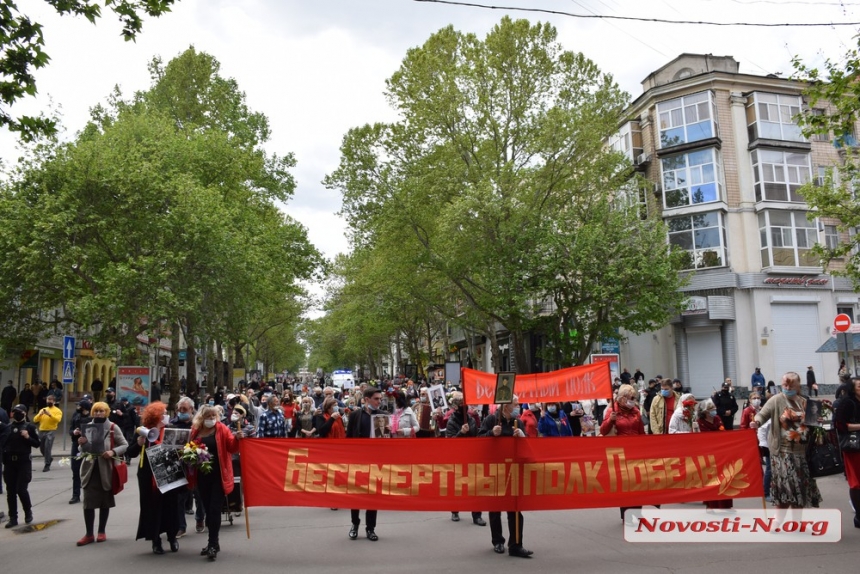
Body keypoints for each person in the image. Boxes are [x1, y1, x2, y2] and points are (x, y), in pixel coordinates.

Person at [751, 372, 822, 509]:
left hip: (801, 453)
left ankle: (797, 523)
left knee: (799, 490)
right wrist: (756, 423)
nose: (788, 388)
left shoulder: (805, 402)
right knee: (785, 489)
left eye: (791, 385)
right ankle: (777, 522)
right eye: (785, 385)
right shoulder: (776, 400)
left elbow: (813, 426)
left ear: (798, 385)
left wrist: (817, 421)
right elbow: (762, 414)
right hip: (782, 452)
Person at [478, 396, 531, 558]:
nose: (518, 407)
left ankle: (516, 545)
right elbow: (477, 441)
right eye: (515, 404)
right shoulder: (491, 420)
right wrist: (490, 434)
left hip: (513, 471)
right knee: (495, 508)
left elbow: (527, 447)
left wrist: (523, 437)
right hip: (495, 471)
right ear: (506, 406)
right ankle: (498, 541)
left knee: (514, 509)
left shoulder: (518, 422)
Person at [125, 402, 181, 554]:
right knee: (152, 507)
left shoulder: (171, 430)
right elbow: (130, 453)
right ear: (155, 416)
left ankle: (172, 537)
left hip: (168, 472)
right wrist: (138, 443)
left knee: (171, 506)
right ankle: (155, 540)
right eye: (162, 413)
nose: (165, 416)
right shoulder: (143, 431)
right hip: (148, 475)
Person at [190, 404, 243, 560]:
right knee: (207, 508)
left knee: (214, 509)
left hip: (219, 476)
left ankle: (213, 543)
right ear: (202, 417)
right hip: (202, 476)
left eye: (214, 416)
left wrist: (238, 439)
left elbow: (232, 447)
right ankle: (213, 543)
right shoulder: (196, 430)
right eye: (208, 417)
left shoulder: (222, 429)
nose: (211, 419)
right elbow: (189, 447)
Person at [74, 401, 128, 546]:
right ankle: (89, 534)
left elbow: (124, 444)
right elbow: (82, 450)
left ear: (107, 412)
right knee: (88, 502)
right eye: (96, 411)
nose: (98, 413)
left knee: (105, 501)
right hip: (90, 469)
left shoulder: (112, 427)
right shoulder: (88, 427)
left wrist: (112, 451)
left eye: (101, 411)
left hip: (106, 469)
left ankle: (101, 531)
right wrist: (81, 443)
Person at [600, 385, 646, 523]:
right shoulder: (611, 411)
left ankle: (638, 512)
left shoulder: (636, 411)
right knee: (625, 484)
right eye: (630, 398)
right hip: (620, 453)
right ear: (622, 398)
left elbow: (641, 432)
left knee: (638, 483)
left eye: (634, 398)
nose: (633, 400)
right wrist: (610, 420)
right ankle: (627, 515)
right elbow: (603, 431)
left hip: (636, 452)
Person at [346, 387, 383, 541]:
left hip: (376, 461)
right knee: (356, 495)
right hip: (358, 460)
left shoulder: (383, 416)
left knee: (372, 496)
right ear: (367, 399)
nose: (379, 402)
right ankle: (355, 525)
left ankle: (370, 528)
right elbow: (349, 437)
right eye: (376, 399)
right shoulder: (356, 415)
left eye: (380, 399)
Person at [445, 391, 487, 527]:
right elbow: (450, 442)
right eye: (462, 404)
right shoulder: (451, 421)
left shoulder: (471, 419)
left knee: (475, 486)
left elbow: (477, 436)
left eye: (466, 404)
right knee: (457, 485)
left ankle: (477, 515)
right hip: (457, 458)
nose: (465, 406)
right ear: (456, 407)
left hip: (472, 457)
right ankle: (455, 510)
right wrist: (461, 433)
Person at [1, 404, 40, 527]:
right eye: (14, 412)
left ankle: (28, 511)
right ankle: (13, 517)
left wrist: (28, 437)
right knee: (10, 491)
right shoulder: (7, 428)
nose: (16, 414)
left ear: (24, 413)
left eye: (19, 412)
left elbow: (37, 444)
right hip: (10, 463)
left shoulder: (30, 427)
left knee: (21, 489)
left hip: (23, 462)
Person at [834, 376, 860, 528]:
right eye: (859, 387)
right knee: (856, 483)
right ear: (852, 389)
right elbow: (840, 425)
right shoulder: (847, 402)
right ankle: (859, 515)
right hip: (853, 447)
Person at [697, 398, 732, 511]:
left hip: (721, 452)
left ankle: (726, 505)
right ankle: (710, 505)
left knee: (725, 477)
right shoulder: (699, 422)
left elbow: (722, 431)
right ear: (705, 411)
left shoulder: (717, 418)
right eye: (711, 409)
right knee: (710, 479)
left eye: (714, 408)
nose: (714, 410)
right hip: (707, 453)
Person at [68, 398, 93, 504]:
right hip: (76, 444)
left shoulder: (91, 418)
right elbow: (70, 430)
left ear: (85, 408)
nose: (77, 407)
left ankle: (90, 494)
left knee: (90, 470)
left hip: (88, 446)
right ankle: (75, 495)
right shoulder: (76, 416)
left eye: (79, 406)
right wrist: (74, 432)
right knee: (76, 470)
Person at [33, 393, 62, 472]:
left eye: (50, 400)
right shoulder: (43, 409)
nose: (49, 401)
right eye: (48, 400)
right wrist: (40, 415)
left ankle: (47, 464)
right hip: (42, 430)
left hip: (51, 430)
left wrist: (50, 415)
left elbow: (58, 420)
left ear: (54, 402)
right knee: (42, 448)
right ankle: (49, 458)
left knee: (47, 447)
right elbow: (35, 420)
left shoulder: (57, 411)